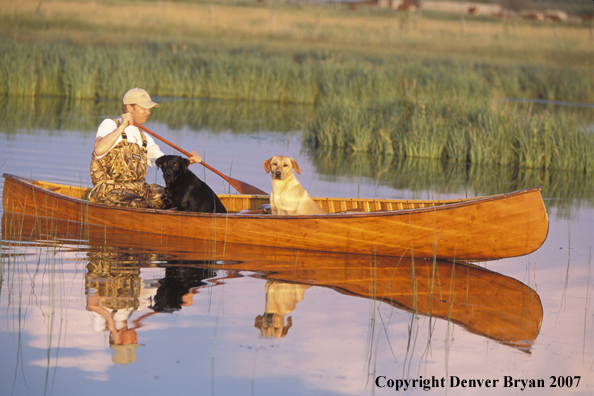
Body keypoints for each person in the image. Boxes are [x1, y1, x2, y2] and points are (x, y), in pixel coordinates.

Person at [88, 87, 201, 208]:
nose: (148, 112)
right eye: (144, 108)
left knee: (176, 196)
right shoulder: (111, 125)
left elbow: (165, 163)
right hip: (108, 191)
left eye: (149, 108)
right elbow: (99, 149)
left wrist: (189, 161)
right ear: (129, 107)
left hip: (139, 190)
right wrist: (122, 127)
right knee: (142, 204)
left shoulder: (145, 139)